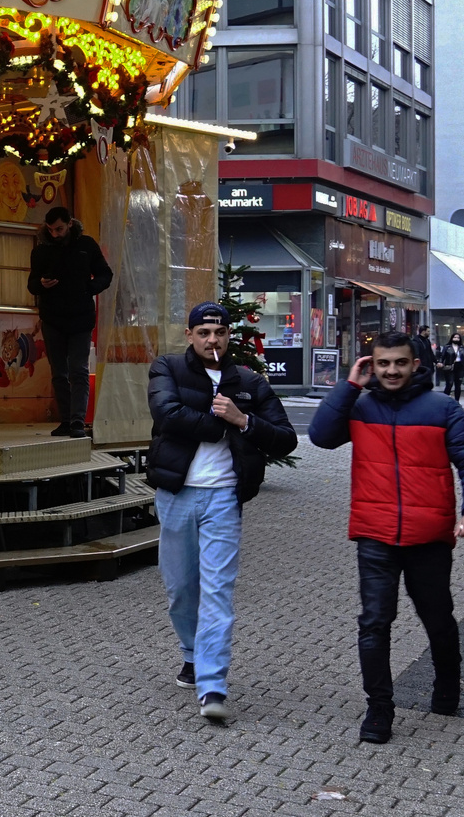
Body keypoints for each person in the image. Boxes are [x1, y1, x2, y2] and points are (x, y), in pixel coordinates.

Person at [307, 332, 464, 745]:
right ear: (372, 365)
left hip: (428, 536)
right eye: (383, 363)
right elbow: (320, 436)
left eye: (400, 363)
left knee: (437, 618)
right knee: (374, 622)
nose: (392, 371)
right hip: (375, 534)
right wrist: (349, 384)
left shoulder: (442, 408)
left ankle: (447, 682)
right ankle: (379, 709)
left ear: (415, 365)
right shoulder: (359, 405)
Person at [147, 301, 298, 725]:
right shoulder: (168, 368)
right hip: (177, 495)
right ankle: (192, 655)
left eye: (220, 332)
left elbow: (286, 439)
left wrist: (242, 419)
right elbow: (167, 415)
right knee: (181, 589)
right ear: (190, 335)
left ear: (229, 336)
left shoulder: (249, 382)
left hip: (224, 500)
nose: (212, 340)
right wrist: (222, 424)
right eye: (204, 332)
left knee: (217, 591)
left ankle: (212, 685)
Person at [29, 206, 115, 437]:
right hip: (52, 317)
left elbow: (106, 274)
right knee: (59, 372)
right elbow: (32, 283)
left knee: (78, 370)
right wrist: (41, 285)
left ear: (69, 224)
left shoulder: (86, 246)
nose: (55, 234)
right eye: (50, 229)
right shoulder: (42, 249)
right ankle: (66, 421)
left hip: (80, 317)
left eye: (59, 229)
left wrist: (89, 288)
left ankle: (77, 421)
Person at [439, 333, 464, 400]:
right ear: (452, 338)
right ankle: (445, 399)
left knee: (458, 385)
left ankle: (457, 401)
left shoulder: (462, 348)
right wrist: (440, 363)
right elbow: (442, 356)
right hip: (450, 367)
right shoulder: (447, 347)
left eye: (458, 338)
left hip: (460, 367)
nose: (456, 339)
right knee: (449, 383)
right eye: (455, 337)